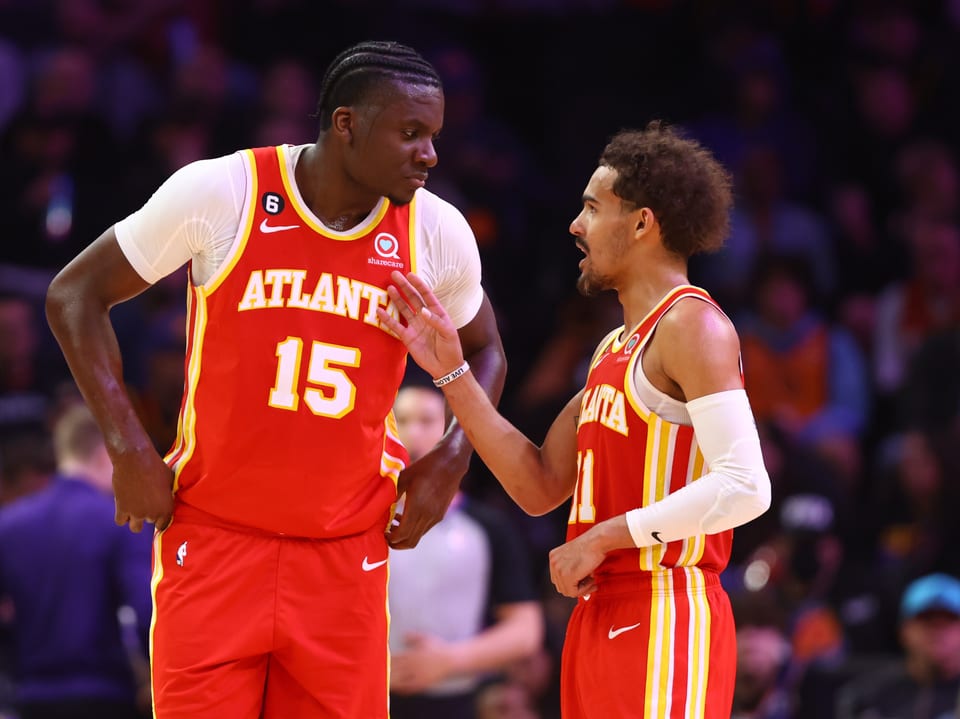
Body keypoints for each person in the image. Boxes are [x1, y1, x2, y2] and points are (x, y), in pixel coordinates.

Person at [44, 40, 506, 719]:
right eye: (411, 134)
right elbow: (74, 294)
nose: (430, 155)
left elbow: (488, 347)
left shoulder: (436, 230)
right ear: (345, 124)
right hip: (214, 539)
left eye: (433, 136)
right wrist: (129, 449)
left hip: (345, 554)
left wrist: (451, 458)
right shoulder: (224, 190)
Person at [379, 120, 772, 718]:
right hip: (598, 611)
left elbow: (747, 485)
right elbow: (537, 485)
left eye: (592, 208)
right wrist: (451, 372)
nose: (575, 225)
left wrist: (604, 536)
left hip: (664, 606)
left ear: (642, 223)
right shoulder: (614, 347)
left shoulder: (692, 325)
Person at [388, 383, 543, 719]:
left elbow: (526, 630)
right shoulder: (359, 522)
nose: (412, 431)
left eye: (426, 420)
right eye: (401, 419)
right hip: (368, 696)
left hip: (458, 702)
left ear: (450, 432)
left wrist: (450, 661)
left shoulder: (489, 527)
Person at [0, 403, 153, 719]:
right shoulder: (121, 523)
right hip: (106, 697)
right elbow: (146, 610)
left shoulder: (9, 526)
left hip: (29, 699)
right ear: (106, 454)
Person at [835, 572, 960, 719]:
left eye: (948, 621)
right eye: (927, 621)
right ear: (904, 631)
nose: (937, 632)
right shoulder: (868, 696)